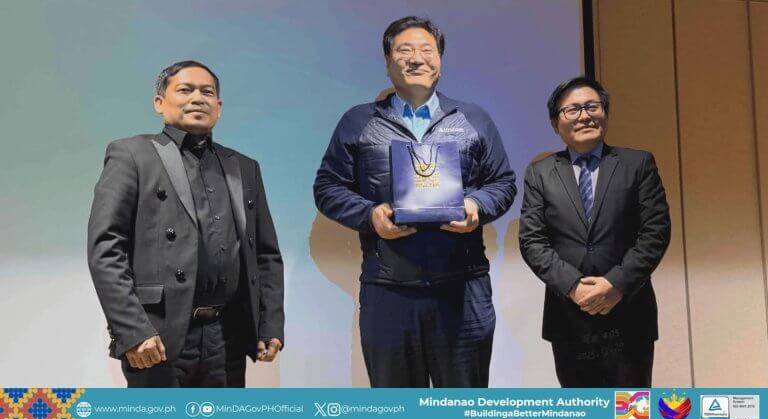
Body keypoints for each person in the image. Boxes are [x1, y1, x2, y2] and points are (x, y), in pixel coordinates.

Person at [313, 16, 516, 387]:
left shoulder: (473, 118)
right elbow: (328, 187)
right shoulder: (359, 120)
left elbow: (502, 182)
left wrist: (477, 206)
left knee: (463, 410)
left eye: (427, 50)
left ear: (440, 59)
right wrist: (370, 215)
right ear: (388, 62)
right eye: (403, 50)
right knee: (397, 412)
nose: (416, 59)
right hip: (388, 289)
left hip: (463, 288)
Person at [87, 60, 284, 387]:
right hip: (157, 336)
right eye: (185, 90)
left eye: (207, 92)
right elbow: (106, 249)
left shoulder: (245, 167)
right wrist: (133, 331)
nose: (198, 98)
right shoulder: (132, 154)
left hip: (228, 335)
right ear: (159, 102)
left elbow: (266, 255)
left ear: (219, 107)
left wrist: (270, 323)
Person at [518, 76, 671, 387]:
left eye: (592, 106)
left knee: (630, 417)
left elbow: (655, 232)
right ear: (554, 122)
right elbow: (532, 241)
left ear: (605, 113)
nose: (584, 115)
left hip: (629, 312)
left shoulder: (638, 164)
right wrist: (574, 287)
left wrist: (616, 284)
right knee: (582, 415)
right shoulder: (541, 173)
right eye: (572, 110)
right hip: (569, 316)